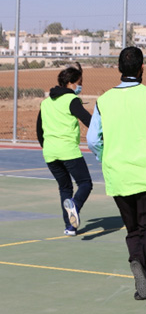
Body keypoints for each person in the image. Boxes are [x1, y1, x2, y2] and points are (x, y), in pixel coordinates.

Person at [87, 46, 146, 300]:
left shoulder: (104, 100)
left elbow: (92, 139)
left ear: (118, 69)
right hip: (143, 171)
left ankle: (141, 283)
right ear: (142, 67)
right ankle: (138, 259)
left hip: (117, 173)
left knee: (133, 229)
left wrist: (105, 155)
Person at [36, 62, 93, 236]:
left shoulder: (46, 103)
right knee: (85, 183)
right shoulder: (72, 100)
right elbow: (88, 120)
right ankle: (75, 205)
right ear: (72, 83)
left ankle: (70, 227)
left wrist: (48, 147)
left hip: (50, 153)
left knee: (65, 188)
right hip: (67, 150)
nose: (80, 86)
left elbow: (39, 130)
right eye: (79, 82)